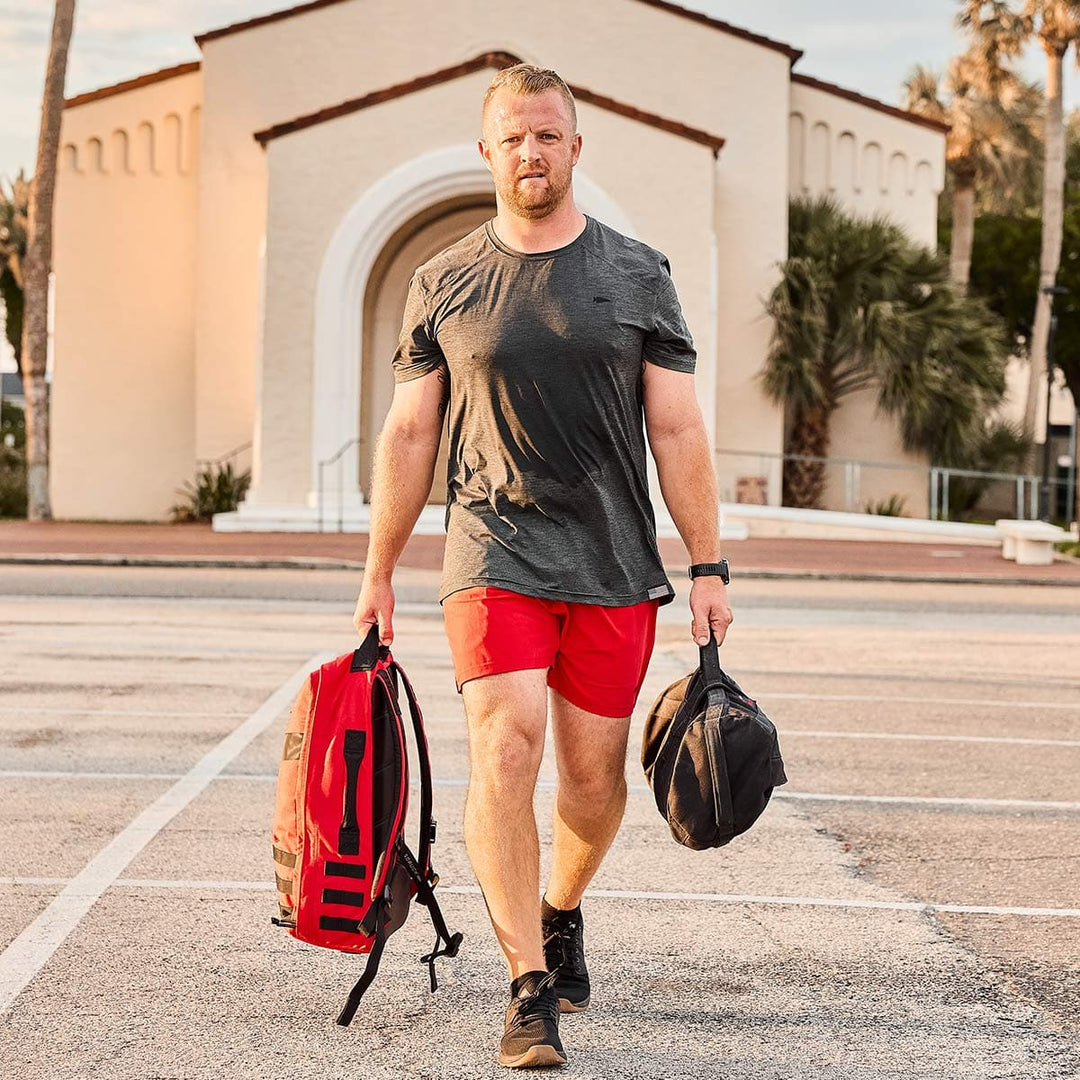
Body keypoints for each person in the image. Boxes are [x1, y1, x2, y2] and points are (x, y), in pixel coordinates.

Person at [352, 62, 732, 1069]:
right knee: (507, 741)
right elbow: (406, 436)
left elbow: (680, 431)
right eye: (513, 136)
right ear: (488, 151)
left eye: (548, 135)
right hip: (491, 549)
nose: (531, 151)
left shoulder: (639, 274)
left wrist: (709, 565)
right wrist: (379, 571)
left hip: (611, 558)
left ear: (575, 148)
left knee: (593, 782)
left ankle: (561, 909)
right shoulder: (444, 282)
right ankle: (528, 987)